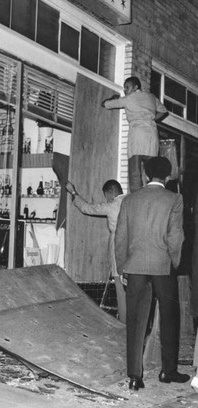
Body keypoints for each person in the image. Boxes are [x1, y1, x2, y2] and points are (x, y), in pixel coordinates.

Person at [115, 156, 187, 391]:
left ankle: (135, 376)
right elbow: (176, 237)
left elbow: (121, 238)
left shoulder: (130, 200)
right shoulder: (174, 199)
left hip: (134, 266)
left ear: (145, 175)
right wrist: (175, 264)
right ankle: (168, 370)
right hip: (162, 266)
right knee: (170, 317)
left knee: (136, 321)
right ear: (167, 177)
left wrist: (122, 267)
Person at [65, 179, 127, 323]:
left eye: (106, 195)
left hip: (117, 246)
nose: (106, 199)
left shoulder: (112, 205)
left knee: (120, 287)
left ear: (110, 192)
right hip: (133, 248)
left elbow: (87, 208)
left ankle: (124, 325)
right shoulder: (132, 201)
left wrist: (74, 192)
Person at [102, 76, 168, 193]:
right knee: (152, 172)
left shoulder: (129, 98)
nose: (125, 90)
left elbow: (105, 104)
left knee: (135, 173)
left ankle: (136, 198)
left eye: (127, 87)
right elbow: (163, 111)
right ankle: (153, 195)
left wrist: (113, 98)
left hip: (137, 136)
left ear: (136, 87)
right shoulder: (151, 97)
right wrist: (151, 119)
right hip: (152, 137)